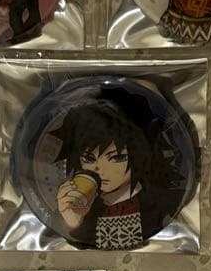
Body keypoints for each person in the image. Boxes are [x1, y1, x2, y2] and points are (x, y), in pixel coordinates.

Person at [52, 87, 184, 250]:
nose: (99, 169)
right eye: (89, 159)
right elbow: (76, 249)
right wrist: (72, 222)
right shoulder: (84, 205)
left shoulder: (159, 200)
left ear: (139, 155)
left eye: (116, 158)